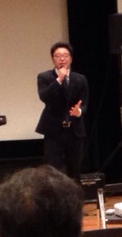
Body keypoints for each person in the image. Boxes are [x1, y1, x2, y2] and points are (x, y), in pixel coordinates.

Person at [36, 41, 88, 180]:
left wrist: (79, 111)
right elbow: (45, 97)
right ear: (53, 59)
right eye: (58, 56)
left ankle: (76, 194)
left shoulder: (80, 79)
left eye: (65, 55)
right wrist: (59, 79)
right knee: (53, 171)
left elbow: (85, 103)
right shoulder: (44, 77)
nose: (62, 59)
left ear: (71, 58)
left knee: (75, 170)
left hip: (74, 130)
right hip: (53, 130)